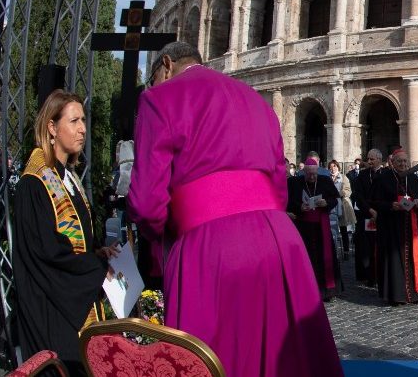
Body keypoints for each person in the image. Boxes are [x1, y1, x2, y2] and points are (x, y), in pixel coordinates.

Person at [128, 42, 341, 377]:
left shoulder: (159, 98)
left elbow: (146, 201)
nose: (153, 85)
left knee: (212, 357)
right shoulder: (255, 99)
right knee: (284, 358)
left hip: (208, 245)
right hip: (278, 241)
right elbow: (279, 182)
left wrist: (163, 237)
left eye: (153, 77)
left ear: (166, 65)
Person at [14, 90, 116, 376]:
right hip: (53, 308)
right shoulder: (35, 183)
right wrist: (96, 267)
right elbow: (48, 254)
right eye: (73, 121)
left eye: (83, 120)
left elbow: (75, 243)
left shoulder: (67, 177)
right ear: (52, 128)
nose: (82, 128)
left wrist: (97, 252)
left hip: (71, 298)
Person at [370, 148, 418, 305]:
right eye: (399, 161)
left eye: (405, 161)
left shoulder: (412, 178)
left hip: (410, 226)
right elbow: (374, 201)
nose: (403, 164)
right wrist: (391, 205)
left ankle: (413, 293)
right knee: (394, 261)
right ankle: (395, 295)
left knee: (412, 260)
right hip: (391, 227)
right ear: (392, 163)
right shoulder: (383, 179)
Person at [287, 157, 342, 299]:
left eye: (314, 174)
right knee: (307, 258)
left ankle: (326, 291)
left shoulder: (325, 181)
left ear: (318, 171)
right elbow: (289, 202)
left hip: (321, 226)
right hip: (303, 227)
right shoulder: (295, 182)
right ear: (304, 172)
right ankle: (307, 290)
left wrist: (326, 202)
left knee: (324, 256)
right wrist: (300, 206)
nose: (312, 177)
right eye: (309, 174)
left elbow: (334, 199)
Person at [351, 149, 383, 285]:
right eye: (368, 159)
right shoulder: (363, 175)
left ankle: (381, 275)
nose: (369, 161)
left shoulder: (386, 174)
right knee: (365, 247)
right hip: (366, 215)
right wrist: (370, 210)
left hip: (382, 216)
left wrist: (378, 211)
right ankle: (368, 275)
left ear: (379, 160)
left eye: (372, 159)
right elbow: (358, 196)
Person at [329, 159, 355, 259]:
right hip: (332, 206)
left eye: (334, 166)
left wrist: (339, 193)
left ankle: (346, 251)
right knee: (332, 230)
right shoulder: (327, 178)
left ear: (338, 167)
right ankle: (333, 251)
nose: (333, 169)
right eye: (331, 167)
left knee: (344, 230)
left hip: (342, 206)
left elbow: (348, 191)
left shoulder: (343, 177)